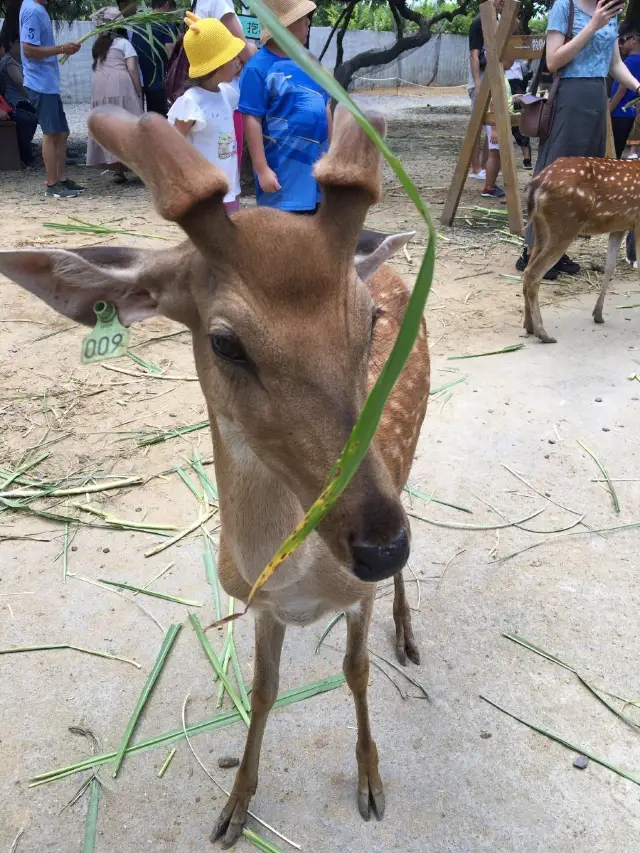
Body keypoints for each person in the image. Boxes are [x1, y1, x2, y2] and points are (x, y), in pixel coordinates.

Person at [516, 0, 640, 279]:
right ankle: (532, 250)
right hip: (571, 94)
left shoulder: (610, 11)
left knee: (583, 180)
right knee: (558, 170)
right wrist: (593, 25)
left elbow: (614, 64)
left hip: (598, 94)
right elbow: (553, 60)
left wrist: (637, 86)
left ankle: (558, 249)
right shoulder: (564, 7)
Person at [239, 0, 331, 214]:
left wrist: (332, 153)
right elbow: (252, 118)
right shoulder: (258, 68)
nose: (308, 22)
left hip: (317, 170)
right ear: (283, 27)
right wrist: (261, 169)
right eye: (300, 18)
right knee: (283, 232)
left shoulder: (311, 62)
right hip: (282, 174)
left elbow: (325, 107)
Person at [168, 14, 244, 212]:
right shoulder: (191, 103)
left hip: (229, 190)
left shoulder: (228, 94)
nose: (238, 61)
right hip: (205, 195)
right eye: (232, 57)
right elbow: (173, 145)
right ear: (217, 63)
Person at [19, 0, 85, 198]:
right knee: (51, 133)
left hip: (48, 83)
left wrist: (62, 49)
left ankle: (61, 178)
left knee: (62, 132)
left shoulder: (37, 9)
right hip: (40, 83)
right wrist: (61, 49)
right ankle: (52, 184)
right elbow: (29, 50)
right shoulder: (32, 10)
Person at [193, 0, 256, 169]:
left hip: (216, 88)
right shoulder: (219, 1)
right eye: (232, 57)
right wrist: (254, 60)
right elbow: (243, 49)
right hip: (232, 99)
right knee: (228, 160)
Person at [86, 8, 143, 184]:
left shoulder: (98, 46)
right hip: (121, 86)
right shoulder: (124, 43)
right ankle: (140, 169)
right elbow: (132, 69)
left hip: (100, 86)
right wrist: (139, 91)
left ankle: (118, 171)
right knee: (128, 126)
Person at [467, 0, 506, 197]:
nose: (503, 3)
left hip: (494, 80)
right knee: (477, 125)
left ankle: (483, 167)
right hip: (481, 80)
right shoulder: (478, 22)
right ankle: (475, 169)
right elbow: (474, 54)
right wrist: (476, 83)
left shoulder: (498, 20)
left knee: (490, 127)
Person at [130, 0, 177, 115]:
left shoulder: (138, 27)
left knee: (153, 119)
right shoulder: (166, 25)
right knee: (166, 122)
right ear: (167, 4)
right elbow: (172, 55)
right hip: (164, 83)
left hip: (145, 83)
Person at [0, 32, 38, 165]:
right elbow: (21, 84)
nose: (22, 45)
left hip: (18, 101)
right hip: (15, 102)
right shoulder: (9, 61)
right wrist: (35, 98)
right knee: (29, 118)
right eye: (19, 42)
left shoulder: (16, 60)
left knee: (40, 115)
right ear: (10, 43)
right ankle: (26, 155)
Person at [609, 27, 640, 158]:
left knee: (613, 151)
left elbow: (621, 91)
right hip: (630, 114)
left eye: (622, 40)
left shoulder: (628, 62)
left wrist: (609, 110)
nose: (620, 44)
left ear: (634, 40)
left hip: (619, 113)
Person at [506, 56, 532, 168]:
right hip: (503, 81)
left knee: (519, 120)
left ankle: (527, 158)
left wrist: (530, 59)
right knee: (503, 121)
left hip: (517, 85)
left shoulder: (518, 46)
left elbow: (525, 68)